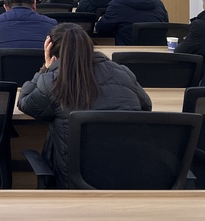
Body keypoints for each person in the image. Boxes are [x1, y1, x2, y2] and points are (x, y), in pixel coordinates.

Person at [17, 24, 151, 188]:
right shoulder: (123, 72)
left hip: (75, 183)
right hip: (128, 176)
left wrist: (45, 68)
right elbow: (146, 106)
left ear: (53, 54)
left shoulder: (51, 81)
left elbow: (25, 103)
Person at [0, 0, 57, 77]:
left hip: (3, 84)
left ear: (5, 7)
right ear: (34, 4)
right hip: (41, 83)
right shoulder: (52, 25)